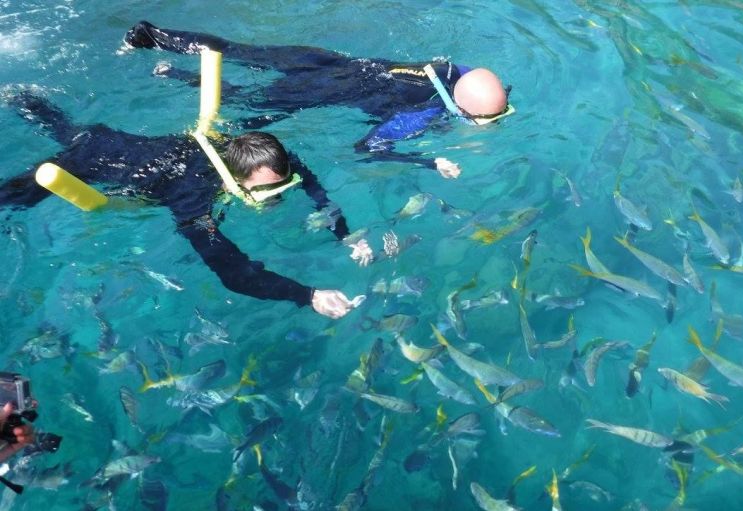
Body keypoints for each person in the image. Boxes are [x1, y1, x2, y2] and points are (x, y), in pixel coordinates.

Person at [0, 91, 362, 319]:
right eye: (269, 192)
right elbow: (235, 275)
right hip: (89, 163)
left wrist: (344, 234)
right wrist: (309, 296)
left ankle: (19, 98)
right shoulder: (193, 201)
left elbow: (310, 183)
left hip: (107, 137)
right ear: (234, 180)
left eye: (284, 185)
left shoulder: (265, 157)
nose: (279, 196)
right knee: (9, 199)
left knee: (68, 129)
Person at [123, 21, 512, 178]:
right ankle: (171, 74)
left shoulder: (456, 71)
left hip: (326, 60)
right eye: (489, 119)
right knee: (247, 102)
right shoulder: (421, 115)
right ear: (463, 111)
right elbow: (367, 147)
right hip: (322, 87)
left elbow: (480, 88)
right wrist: (430, 161)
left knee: (238, 50)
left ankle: (149, 36)